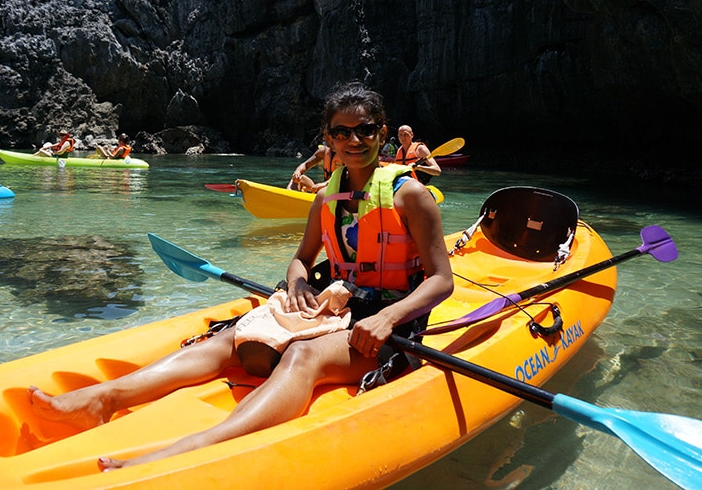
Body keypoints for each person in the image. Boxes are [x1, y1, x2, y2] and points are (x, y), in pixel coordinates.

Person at [28, 82, 454, 470]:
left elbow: (441, 280)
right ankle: (103, 399)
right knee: (234, 340)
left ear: (381, 133)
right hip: (335, 305)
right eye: (342, 132)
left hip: (387, 323)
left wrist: (386, 318)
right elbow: (301, 259)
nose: (354, 140)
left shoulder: (410, 195)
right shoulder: (324, 196)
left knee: (303, 357)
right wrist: (299, 282)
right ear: (329, 139)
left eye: (364, 130)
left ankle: (197, 447)